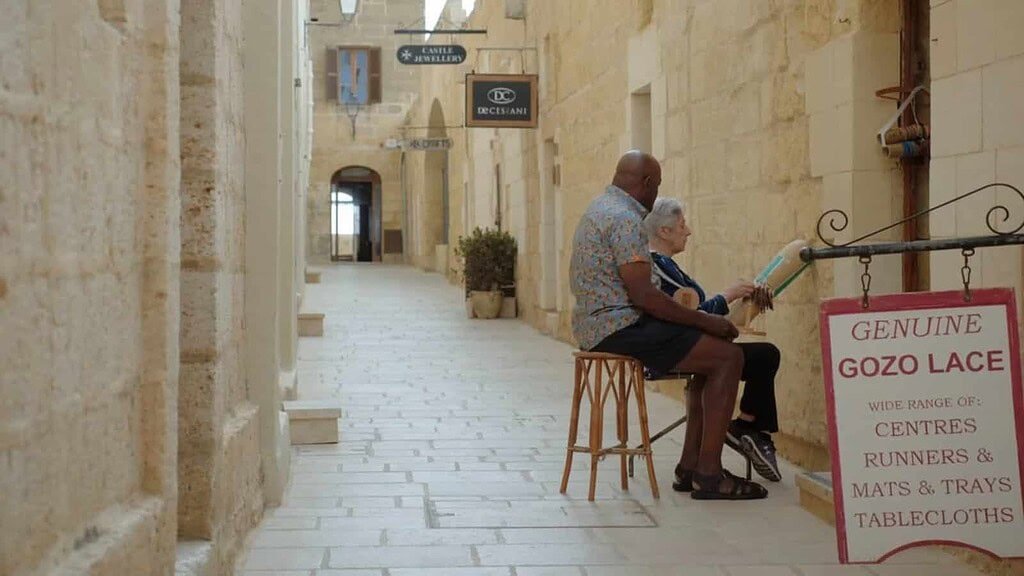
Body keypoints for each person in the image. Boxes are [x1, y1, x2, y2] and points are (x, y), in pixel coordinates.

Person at [570, 150, 767, 500]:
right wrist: (706, 320)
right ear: (647, 183)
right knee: (728, 357)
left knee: (711, 354)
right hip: (619, 327)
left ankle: (690, 467)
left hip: (596, 326)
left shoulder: (598, 208)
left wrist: (702, 324)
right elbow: (644, 295)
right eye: (657, 185)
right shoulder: (626, 219)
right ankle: (709, 474)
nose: (656, 193)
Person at [643, 197, 782, 483]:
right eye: (682, 225)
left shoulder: (664, 266)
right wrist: (728, 295)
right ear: (664, 232)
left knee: (757, 355)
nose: (688, 231)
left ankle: (696, 461)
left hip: (682, 343)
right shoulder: (658, 266)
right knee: (761, 356)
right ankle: (744, 431)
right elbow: (689, 314)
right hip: (674, 348)